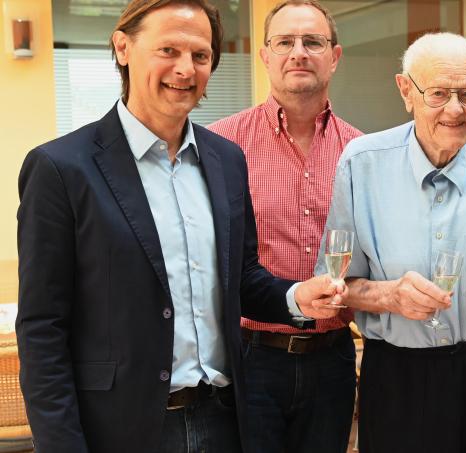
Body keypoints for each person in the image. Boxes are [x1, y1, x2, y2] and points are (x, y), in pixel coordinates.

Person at [15, 1, 343, 452]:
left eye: (201, 56)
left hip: (226, 419)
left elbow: (242, 278)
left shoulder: (225, 159)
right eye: (168, 49)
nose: (185, 69)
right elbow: (42, 329)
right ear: (123, 47)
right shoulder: (61, 169)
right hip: (124, 429)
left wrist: (294, 296)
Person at [310, 32, 466, 453]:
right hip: (398, 380)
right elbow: (339, 287)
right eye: (438, 94)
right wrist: (390, 296)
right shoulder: (362, 164)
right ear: (406, 90)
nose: (454, 110)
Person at [207, 1, 362, 452]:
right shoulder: (221, 146)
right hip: (250, 358)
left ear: (334, 56)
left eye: (312, 42)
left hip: (333, 356)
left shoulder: (363, 152)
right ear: (265, 57)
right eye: (285, 42)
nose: (299, 52)